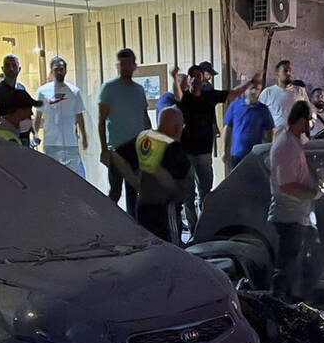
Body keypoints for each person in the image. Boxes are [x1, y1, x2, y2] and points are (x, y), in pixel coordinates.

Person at [173, 63, 257, 233]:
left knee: (206, 194)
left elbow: (233, 93)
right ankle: (194, 231)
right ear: (188, 79)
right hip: (186, 153)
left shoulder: (209, 96)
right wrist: (174, 78)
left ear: (203, 79)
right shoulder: (185, 98)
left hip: (204, 152)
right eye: (193, 76)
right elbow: (178, 94)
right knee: (188, 196)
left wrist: (250, 83)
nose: (196, 79)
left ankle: (204, 229)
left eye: (199, 76)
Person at [269, 100, 324, 300]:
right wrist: (313, 192)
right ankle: (277, 306)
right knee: (286, 268)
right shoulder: (286, 144)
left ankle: (293, 303)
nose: (312, 125)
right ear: (302, 120)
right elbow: (286, 184)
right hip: (289, 216)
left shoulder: (294, 141)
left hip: (300, 216)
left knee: (300, 266)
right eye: (311, 121)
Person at [97, 48, 150, 217]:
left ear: (134, 66)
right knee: (115, 191)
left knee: (135, 190)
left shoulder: (139, 90)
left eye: (129, 64)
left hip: (136, 146)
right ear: (118, 66)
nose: (126, 67)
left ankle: (134, 228)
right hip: (117, 148)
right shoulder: (109, 88)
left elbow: (144, 116)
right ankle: (106, 224)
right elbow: (101, 120)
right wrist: (104, 149)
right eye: (122, 64)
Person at [127, 107, 191, 242]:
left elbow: (116, 156)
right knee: (172, 249)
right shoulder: (175, 150)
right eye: (182, 126)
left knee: (149, 245)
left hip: (143, 205)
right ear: (177, 128)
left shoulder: (143, 139)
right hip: (166, 209)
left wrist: (136, 182)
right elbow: (176, 187)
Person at [35, 56, 88, 176]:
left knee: (72, 177)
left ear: (65, 70)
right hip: (51, 143)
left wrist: (84, 136)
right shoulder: (42, 91)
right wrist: (36, 133)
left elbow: (79, 115)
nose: (59, 71)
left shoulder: (74, 92)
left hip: (70, 143)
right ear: (51, 70)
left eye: (61, 69)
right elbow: (38, 116)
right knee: (53, 176)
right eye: (56, 69)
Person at [223, 83, 275, 173]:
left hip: (255, 155)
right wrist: (225, 150)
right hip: (237, 154)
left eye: (257, 89)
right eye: (252, 88)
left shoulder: (263, 109)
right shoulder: (235, 106)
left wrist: (268, 151)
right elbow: (227, 129)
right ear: (245, 90)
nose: (254, 92)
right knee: (237, 183)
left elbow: (269, 132)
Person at [0, 54, 33, 146]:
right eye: (7, 65)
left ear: (19, 69)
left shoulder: (21, 88)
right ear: (2, 68)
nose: (11, 68)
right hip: (7, 137)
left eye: (14, 65)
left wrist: (33, 133)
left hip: (24, 136)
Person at [259, 60, 309, 128]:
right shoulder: (267, 93)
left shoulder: (300, 91)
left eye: (290, 71)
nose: (289, 73)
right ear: (277, 73)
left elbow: (308, 112)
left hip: (296, 136)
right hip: (276, 136)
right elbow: (259, 116)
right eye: (285, 71)